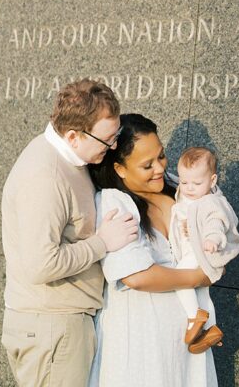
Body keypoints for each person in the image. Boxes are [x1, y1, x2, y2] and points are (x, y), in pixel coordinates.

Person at [1, 79, 139, 387]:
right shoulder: (45, 175)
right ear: (74, 136)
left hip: (60, 327)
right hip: (53, 328)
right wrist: (101, 242)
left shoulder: (68, 160)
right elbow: (41, 264)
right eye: (106, 140)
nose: (112, 147)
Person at [88, 114, 219, 387]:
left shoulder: (181, 187)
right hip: (141, 345)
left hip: (188, 343)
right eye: (147, 165)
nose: (159, 168)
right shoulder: (114, 202)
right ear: (121, 169)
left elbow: (220, 232)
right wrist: (199, 276)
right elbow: (135, 276)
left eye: (161, 156)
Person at [169, 146, 239, 352]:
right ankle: (210, 330)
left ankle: (195, 318)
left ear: (212, 181)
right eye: (184, 182)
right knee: (201, 292)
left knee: (180, 279)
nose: (189, 187)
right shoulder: (189, 193)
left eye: (196, 183)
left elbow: (216, 222)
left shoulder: (211, 202)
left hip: (201, 251)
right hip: (191, 250)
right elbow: (176, 181)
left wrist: (212, 239)